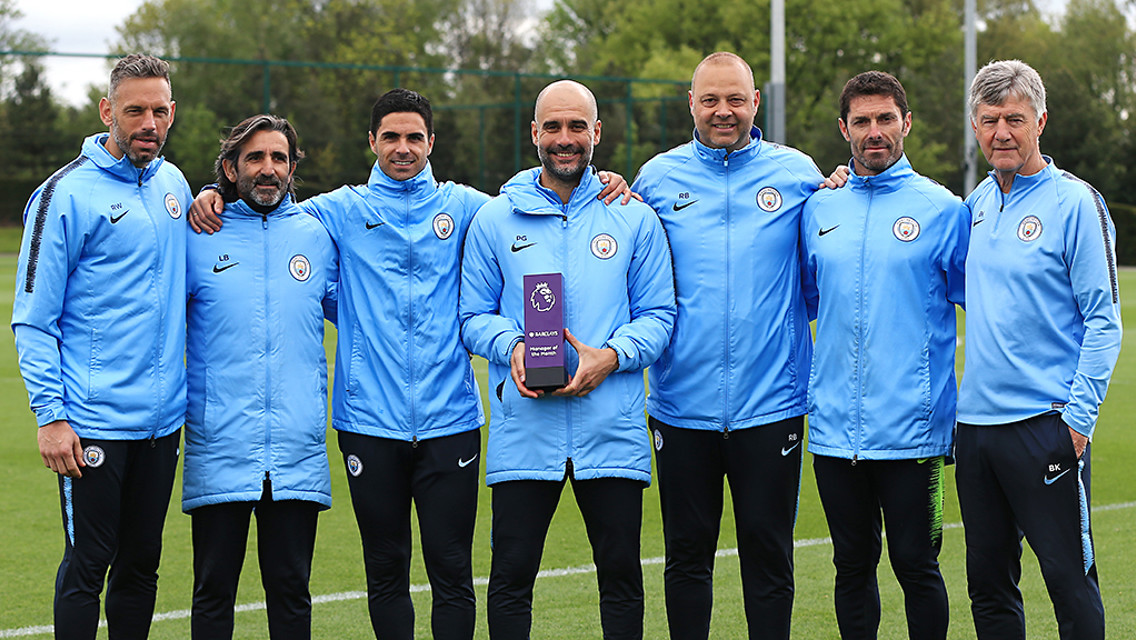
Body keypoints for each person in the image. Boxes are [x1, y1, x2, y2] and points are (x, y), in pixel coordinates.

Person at [188, 88, 632, 640]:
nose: (403, 148)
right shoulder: (339, 212)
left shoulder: (466, 206)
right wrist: (213, 190)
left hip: (451, 421)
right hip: (369, 423)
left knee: (452, 574)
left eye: (414, 137)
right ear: (372, 141)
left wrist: (602, 182)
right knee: (386, 572)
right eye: (391, 137)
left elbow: (527, 194)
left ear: (430, 143)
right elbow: (270, 212)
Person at [459, 79, 676, 639]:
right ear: (534, 133)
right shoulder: (495, 218)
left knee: (622, 578)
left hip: (611, 428)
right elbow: (472, 316)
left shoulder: (633, 218)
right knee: (510, 579)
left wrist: (613, 356)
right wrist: (513, 348)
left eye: (576, 126)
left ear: (596, 132)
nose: (564, 138)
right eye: (552, 126)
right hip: (524, 431)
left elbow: (659, 316)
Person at [630, 51, 824, 639]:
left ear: (755, 103)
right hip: (680, 406)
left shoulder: (798, 174)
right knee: (687, 560)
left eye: (735, 99)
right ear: (691, 103)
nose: (723, 111)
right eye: (710, 99)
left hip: (772, 409)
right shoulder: (657, 178)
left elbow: (819, 275)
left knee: (770, 559)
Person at [11, 54, 190, 639]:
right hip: (92, 425)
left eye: (159, 111)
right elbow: (35, 321)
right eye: (134, 110)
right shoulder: (63, 194)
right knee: (90, 565)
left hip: (162, 425)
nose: (149, 123)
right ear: (106, 111)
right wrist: (51, 417)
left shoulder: (173, 183)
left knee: (142, 567)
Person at [956, 59, 1122, 640]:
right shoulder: (973, 205)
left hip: (1044, 426)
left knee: (1070, 585)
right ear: (975, 127)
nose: (1002, 131)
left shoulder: (1076, 203)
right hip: (974, 431)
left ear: (1040, 122)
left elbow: (1104, 322)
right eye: (989, 119)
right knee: (989, 589)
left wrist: (1076, 422)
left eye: (1015, 119)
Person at [800, 71, 968, 640]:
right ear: (844, 128)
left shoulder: (943, 210)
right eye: (863, 121)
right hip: (832, 433)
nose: (876, 131)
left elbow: (987, 308)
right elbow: (806, 299)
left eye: (886, 119)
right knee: (850, 568)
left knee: (917, 568)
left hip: (913, 435)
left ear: (906, 123)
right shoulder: (818, 210)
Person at [183, 114, 337, 639]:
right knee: (212, 593)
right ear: (230, 167)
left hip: (296, 447)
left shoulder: (318, 237)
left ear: (293, 167)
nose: (268, 169)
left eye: (278, 158)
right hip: (220, 442)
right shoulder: (197, 233)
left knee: (291, 591)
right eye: (254, 158)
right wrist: (204, 196)